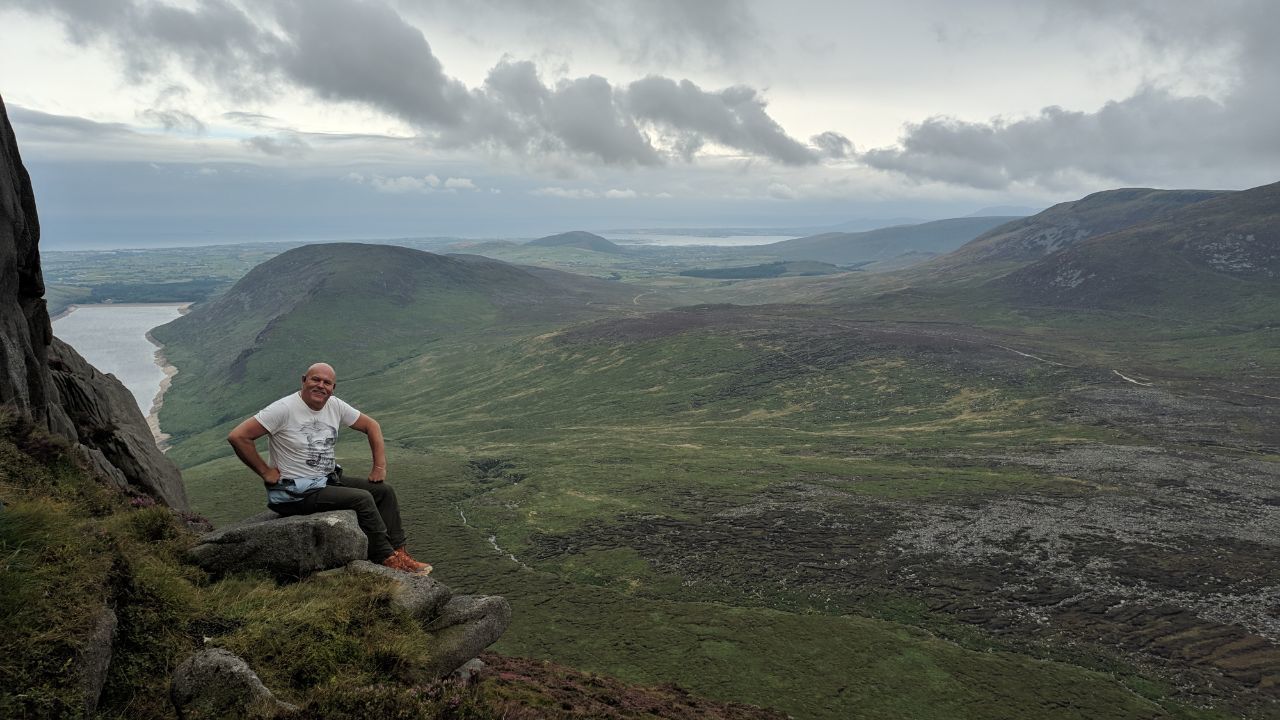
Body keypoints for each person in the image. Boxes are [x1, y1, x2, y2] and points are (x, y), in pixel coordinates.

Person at [227, 362, 431, 574]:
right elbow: (238, 436)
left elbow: (372, 426)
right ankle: (386, 558)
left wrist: (379, 466)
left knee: (384, 492)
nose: (321, 386)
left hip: (325, 479)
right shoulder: (284, 409)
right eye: (315, 379)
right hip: (294, 491)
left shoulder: (334, 405)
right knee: (362, 498)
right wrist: (265, 471)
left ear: (333, 388)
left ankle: (401, 553)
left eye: (327, 382)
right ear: (304, 380)